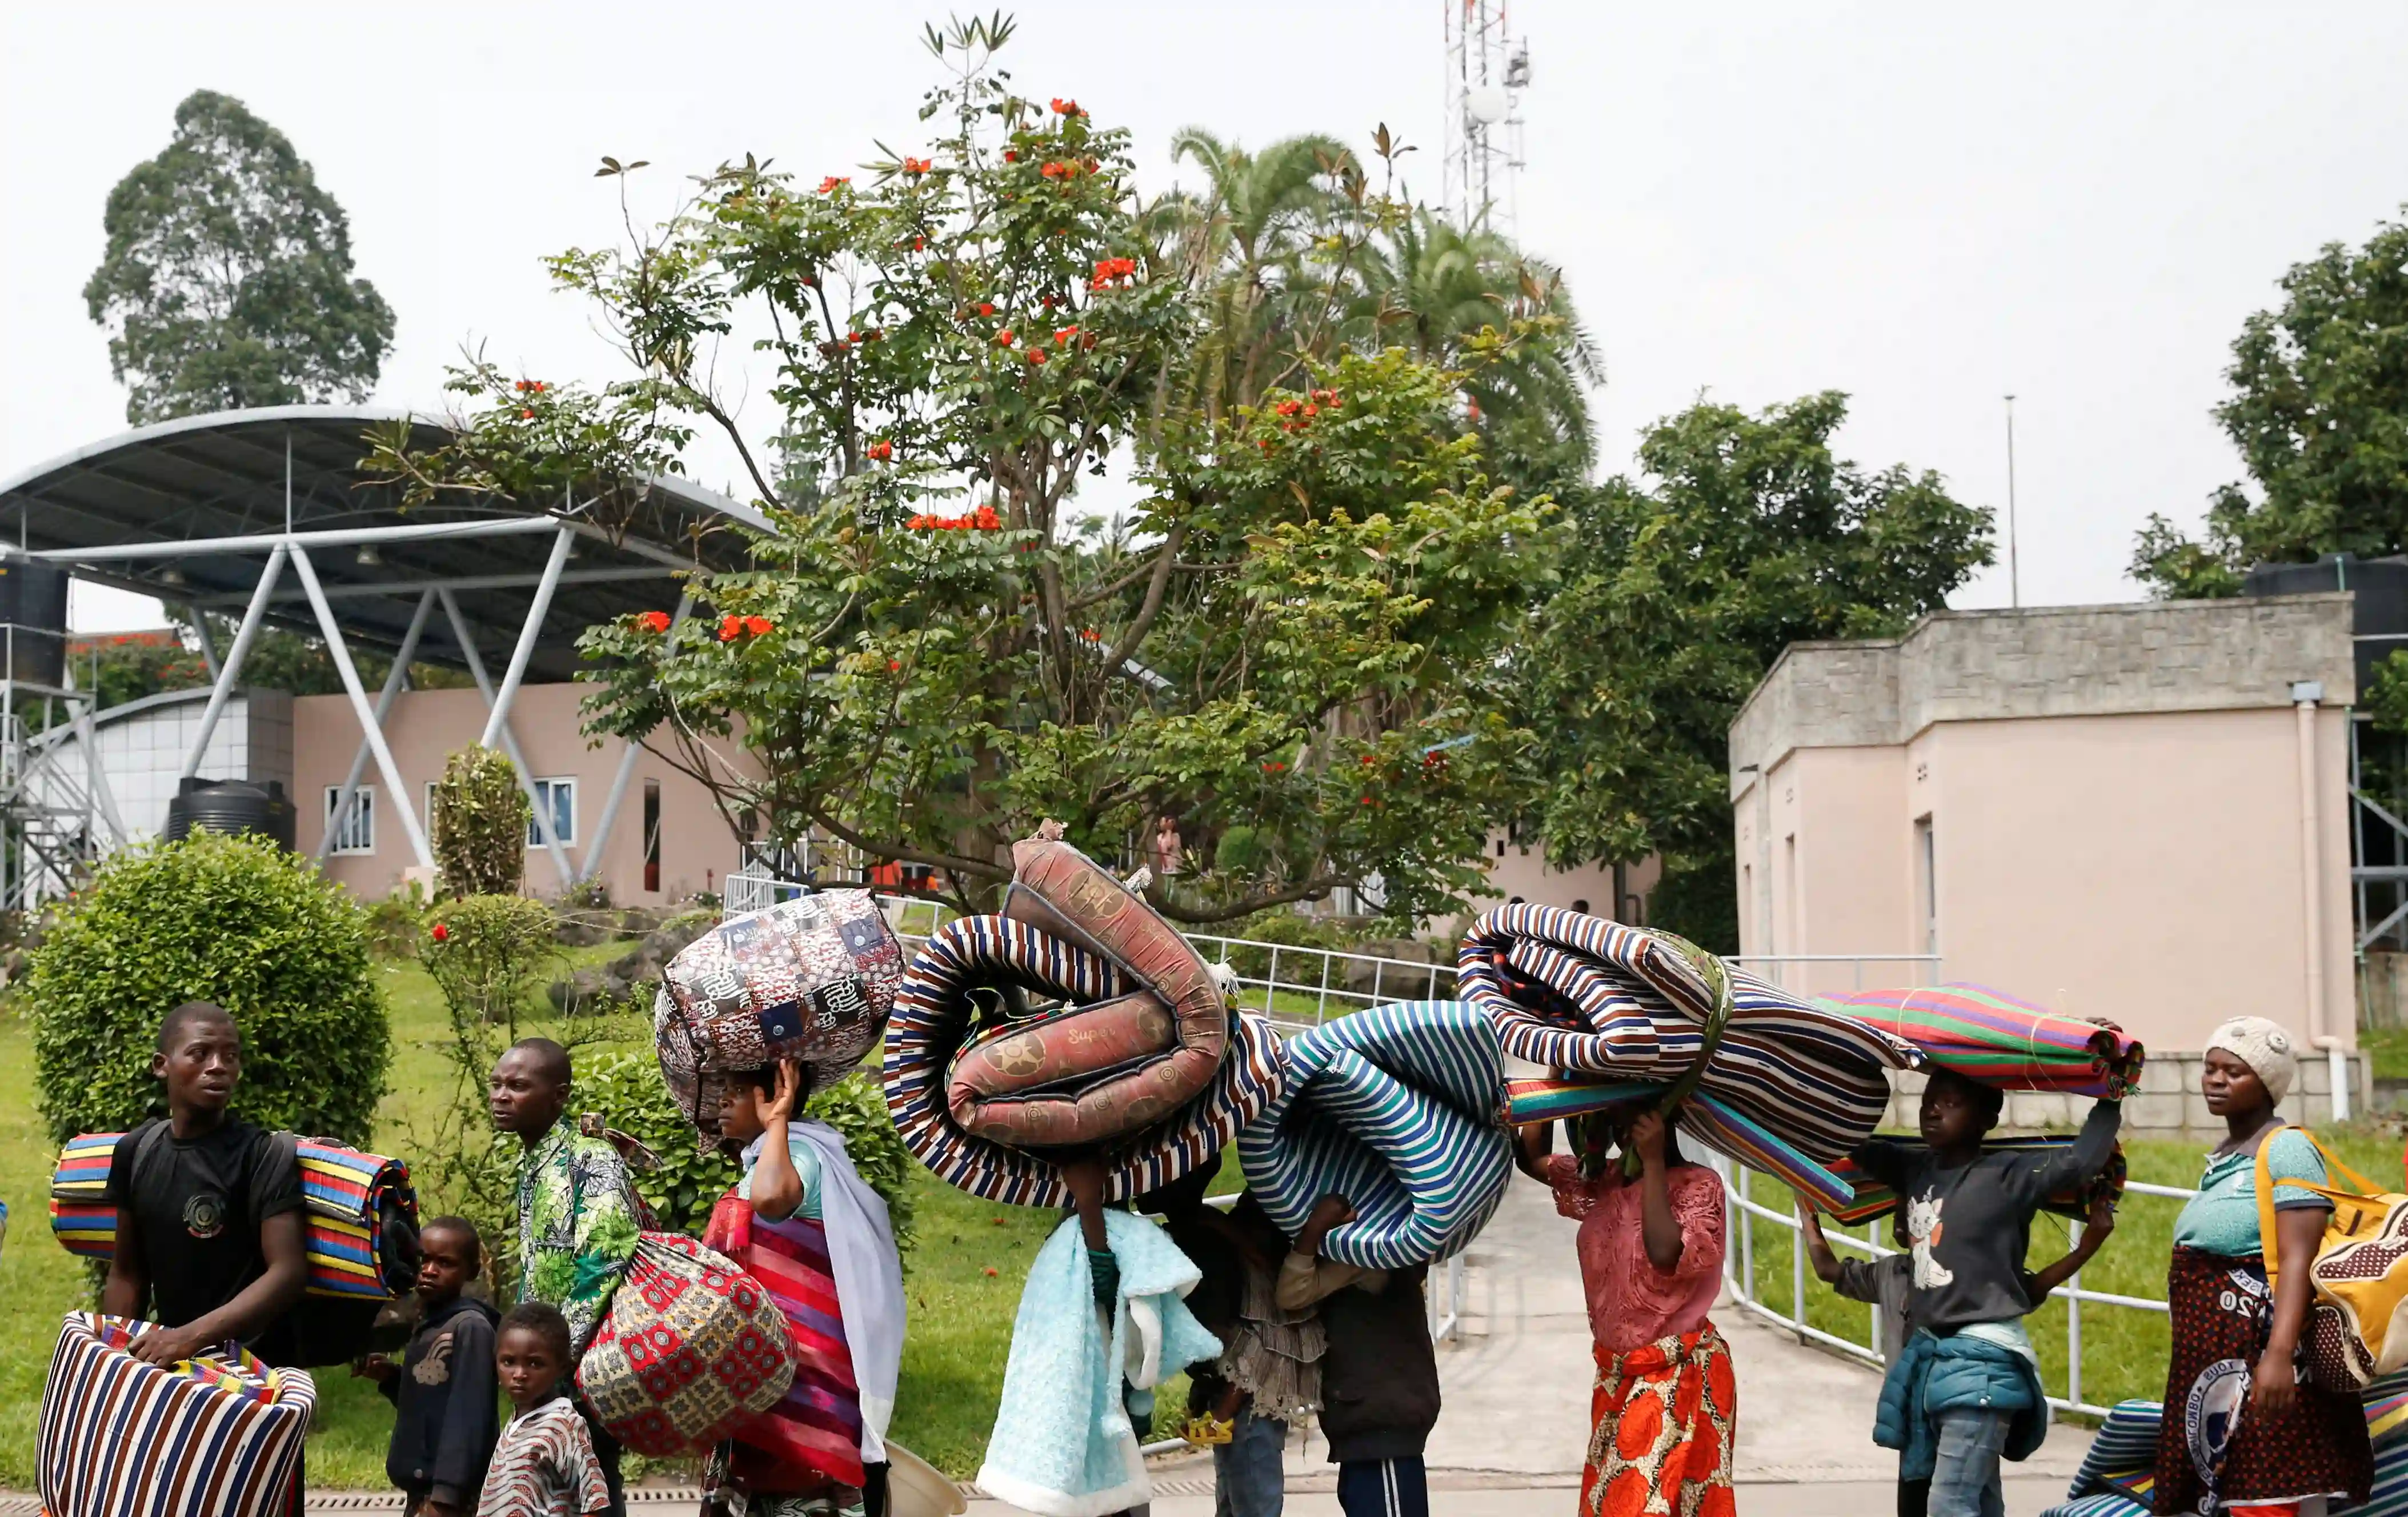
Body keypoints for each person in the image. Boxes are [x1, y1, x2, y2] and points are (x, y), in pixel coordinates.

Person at [1851, 1068, 2122, 1517]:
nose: (1932, 1110)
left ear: (1986, 1118)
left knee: (1949, 1504)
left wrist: (2108, 1093)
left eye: (1950, 1102)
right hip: (1933, 1360)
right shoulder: (1912, 1165)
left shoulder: (2008, 1174)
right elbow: (1848, 1142)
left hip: (1982, 1363)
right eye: (1928, 1101)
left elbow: (2078, 1163)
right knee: (1978, 1500)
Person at [2155, 1017, 2372, 1517]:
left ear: (2267, 1083)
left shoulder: (2288, 1148)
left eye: (2233, 1071)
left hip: (2263, 1362)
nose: (2214, 1079)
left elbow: (2299, 1254)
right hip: (2214, 1367)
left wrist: (2277, 1356)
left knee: (2267, 1495)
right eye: (2209, 1068)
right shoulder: (2225, 1157)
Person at [101, 1001, 311, 1509]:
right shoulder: (136, 1150)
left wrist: (189, 1338)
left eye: (230, 1055)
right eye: (200, 1053)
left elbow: (286, 1273)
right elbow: (128, 1270)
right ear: (162, 1065)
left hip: (256, 1387)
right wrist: (111, 1365)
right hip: (173, 1378)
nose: (219, 1066)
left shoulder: (265, 1154)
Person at [1799, 1195, 2115, 1517]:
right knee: (1957, 1502)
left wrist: (2085, 1249)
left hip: (1963, 1406)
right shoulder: (1891, 1273)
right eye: (1901, 1217)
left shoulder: (1975, 1274)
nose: (1901, 1225)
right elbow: (1828, 1269)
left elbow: (2032, 1288)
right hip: (1915, 1419)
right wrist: (1808, 1214)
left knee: (1956, 1502)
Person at [703, 1059, 907, 1517]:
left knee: (805, 1484)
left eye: (736, 1090)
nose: (722, 1100)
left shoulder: (802, 1156)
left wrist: (777, 1122)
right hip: (761, 1368)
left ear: (777, 1093)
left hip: (804, 1372)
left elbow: (772, 1201)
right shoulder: (766, 1157)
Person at [1515, 1106, 1734, 1517]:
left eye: (1629, 1118)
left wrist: (1652, 1162)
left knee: (1636, 1507)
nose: (1620, 1129)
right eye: (1612, 1121)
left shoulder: (1700, 1185)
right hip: (1616, 1375)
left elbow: (1665, 1251)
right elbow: (1531, 1158)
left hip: (1674, 1372)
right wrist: (1553, 1079)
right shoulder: (1605, 1180)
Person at [490, 1038, 640, 1517]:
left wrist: (555, 1361)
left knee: (591, 1486)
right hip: (542, 1369)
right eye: (496, 1084)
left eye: (517, 1085)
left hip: (581, 1371)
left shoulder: (590, 1159)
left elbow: (603, 1261)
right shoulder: (533, 1162)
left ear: (558, 1095)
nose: (500, 1095)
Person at [1143, 1156, 1315, 1517]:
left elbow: (1244, 1334)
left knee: (1250, 1504)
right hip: (1238, 1396)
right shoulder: (1208, 1230)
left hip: (1248, 1397)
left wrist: (1224, 1407)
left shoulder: (1205, 1242)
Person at [1276, 1193, 1438, 1517]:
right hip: (1372, 1432)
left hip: (1380, 1433)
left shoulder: (1370, 1254)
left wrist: (1314, 1229)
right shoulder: (1390, 1244)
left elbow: (1291, 1293)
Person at [361, 1216, 503, 1517]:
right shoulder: (429, 1324)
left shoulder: (470, 1328)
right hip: (422, 1495)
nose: (429, 1270)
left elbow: (469, 1418)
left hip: (449, 1500)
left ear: (472, 1271)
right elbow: (429, 1402)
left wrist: (445, 1498)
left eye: (445, 1263)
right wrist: (392, 1379)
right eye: (423, 1259)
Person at [477, 1302, 613, 1517]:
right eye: (508, 1362)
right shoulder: (519, 1420)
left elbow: (593, 1500)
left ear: (561, 1368)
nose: (519, 1374)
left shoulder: (562, 1424)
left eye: (535, 1364)